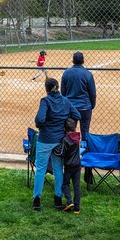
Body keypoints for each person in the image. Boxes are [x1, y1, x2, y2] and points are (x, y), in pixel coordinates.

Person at [33, 78, 81, 211]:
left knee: (41, 169)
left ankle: (37, 200)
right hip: (60, 140)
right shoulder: (65, 101)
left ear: (46, 89)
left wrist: (42, 125)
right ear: (58, 87)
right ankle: (58, 199)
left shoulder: (45, 101)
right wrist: (65, 125)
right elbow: (76, 114)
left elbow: (40, 119)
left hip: (45, 139)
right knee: (58, 169)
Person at [60, 52, 96, 140]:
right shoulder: (87, 74)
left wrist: (66, 105)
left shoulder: (66, 73)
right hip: (85, 107)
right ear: (83, 61)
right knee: (85, 131)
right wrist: (92, 105)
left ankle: (71, 150)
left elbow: (63, 92)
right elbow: (92, 92)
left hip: (71, 107)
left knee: (70, 131)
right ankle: (84, 148)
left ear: (73, 61)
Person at [56, 118, 82, 214]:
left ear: (65, 130)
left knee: (65, 184)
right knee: (77, 186)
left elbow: (61, 153)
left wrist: (55, 150)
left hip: (68, 166)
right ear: (74, 129)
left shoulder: (65, 140)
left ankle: (69, 201)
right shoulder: (77, 137)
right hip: (77, 165)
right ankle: (77, 208)